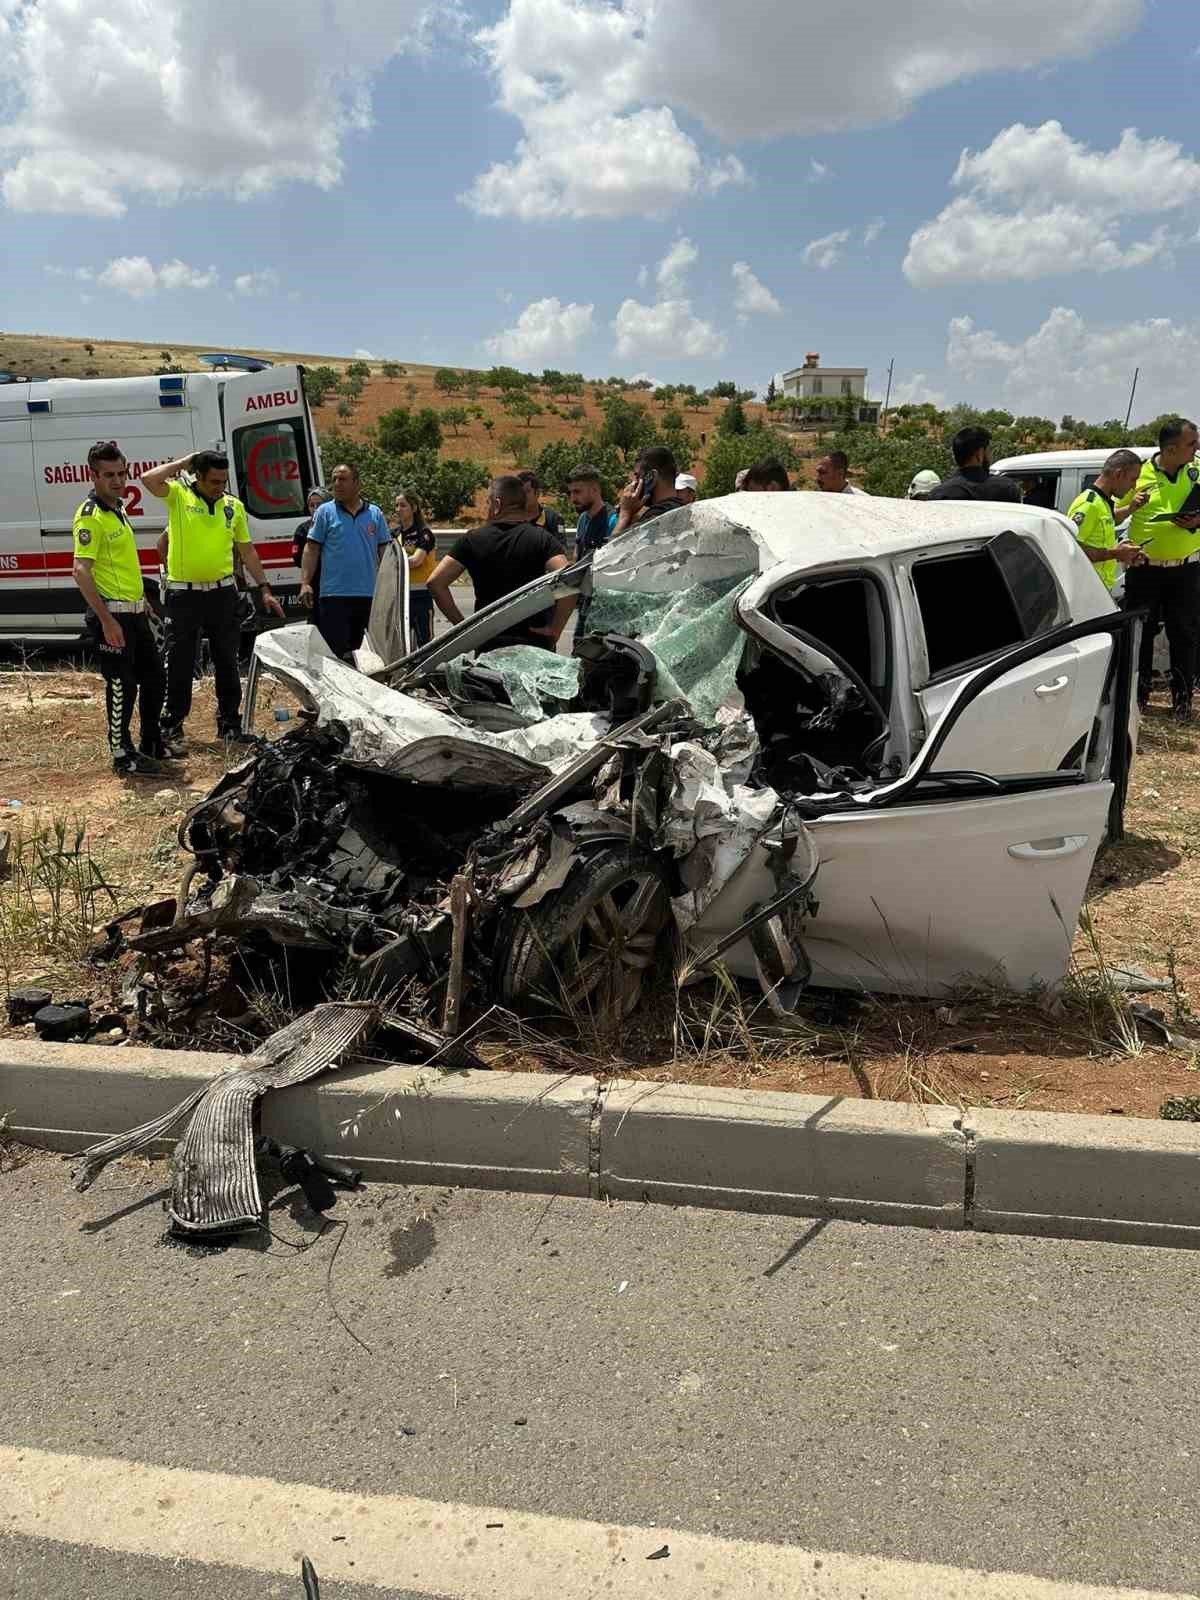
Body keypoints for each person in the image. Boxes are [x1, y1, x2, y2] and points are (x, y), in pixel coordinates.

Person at [144, 449, 284, 751]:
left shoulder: (233, 506)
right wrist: (183, 461)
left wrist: (264, 587)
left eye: (223, 481)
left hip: (223, 593)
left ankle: (229, 726)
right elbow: (148, 480)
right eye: (213, 482)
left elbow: (247, 551)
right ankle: (172, 725)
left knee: (227, 660)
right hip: (184, 595)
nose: (220, 487)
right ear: (198, 476)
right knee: (180, 661)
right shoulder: (179, 495)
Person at [71, 441, 172, 777]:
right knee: (121, 685)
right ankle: (121, 753)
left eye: (121, 473)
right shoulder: (91, 516)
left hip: (135, 612)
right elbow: (80, 569)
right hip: (112, 617)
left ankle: (151, 742)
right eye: (109, 475)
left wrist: (144, 604)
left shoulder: (118, 509)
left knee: (155, 677)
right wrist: (106, 619)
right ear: (94, 476)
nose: (117, 481)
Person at [427, 475, 573, 651]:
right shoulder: (543, 539)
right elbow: (570, 580)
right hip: (535, 646)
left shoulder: (472, 540)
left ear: (497, 504)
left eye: (488, 503)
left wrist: (463, 629)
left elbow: (435, 583)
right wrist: (555, 629)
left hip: (489, 647)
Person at [1122, 417, 1200, 718]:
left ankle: (1182, 701)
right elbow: (1114, 515)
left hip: (1186, 568)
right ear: (1170, 449)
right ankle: (1138, 698)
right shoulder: (1138, 474)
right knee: (1141, 633)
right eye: (1191, 444)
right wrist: (1131, 507)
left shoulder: (1196, 471)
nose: (1196, 449)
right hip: (1145, 569)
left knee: (1185, 633)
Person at [299, 463, 392, 660]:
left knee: (368, 656)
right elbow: (311, 548)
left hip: (369, 597)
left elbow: (385, 552)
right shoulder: (325, 512)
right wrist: (305, 583)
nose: (336, 484)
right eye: (334, 479)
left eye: (343, 479)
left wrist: (390, 588)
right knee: (335, 656)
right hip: (334, 596)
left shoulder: (375, 514)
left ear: (357, 483)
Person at [1065, 449, 1147, 594]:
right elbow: (1073, 550)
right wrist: (1116, 553)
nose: (1134, 486)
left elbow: (1107, 523)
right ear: (1118, 474)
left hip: (1100, 590)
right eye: (1133, 479)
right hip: (1088, 592)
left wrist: (1123, 551)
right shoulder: (1089, 504)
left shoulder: (1102, 502)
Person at [926, 427, 1021, 504]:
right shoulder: (1007, 488)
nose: (990, 455)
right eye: (988, 451)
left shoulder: (939, 494)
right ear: (979, 454)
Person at [394, 489, 437, 648]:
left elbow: (416, 560)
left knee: (425, 643)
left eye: (403, 505)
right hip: (400, 597)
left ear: (414, 508)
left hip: (421, 597)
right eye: (397, 505)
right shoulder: (394, 534)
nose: (398, 509)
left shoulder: (424, 534)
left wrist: (394, 563)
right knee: (401, 644)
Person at [613, 446, 687, 537]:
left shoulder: (654, 519)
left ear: (652, 476)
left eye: (638, 476)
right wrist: (631, 515)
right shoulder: (684, 511)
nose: (634, 483)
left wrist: (624, 514)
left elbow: (611, 550)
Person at [567, 465, 617, 560]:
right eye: (570, 493)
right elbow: (577, 555)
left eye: (577, 492)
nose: (572, 498)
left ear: (595, 489)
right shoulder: (583, 518)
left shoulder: (613, 520)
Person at [292, 488, 330, 605]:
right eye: (311, 505)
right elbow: (297, 558)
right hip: (314, 581)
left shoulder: (337, 526)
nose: (315, 509)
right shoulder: (303, 529)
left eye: (319, 505)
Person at [516, 470, 564, 541]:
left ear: (537, 493)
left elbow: (561, 548)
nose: (522, 496)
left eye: (527, 491)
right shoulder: (511, 519)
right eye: (519, 492)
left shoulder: (554, 519)